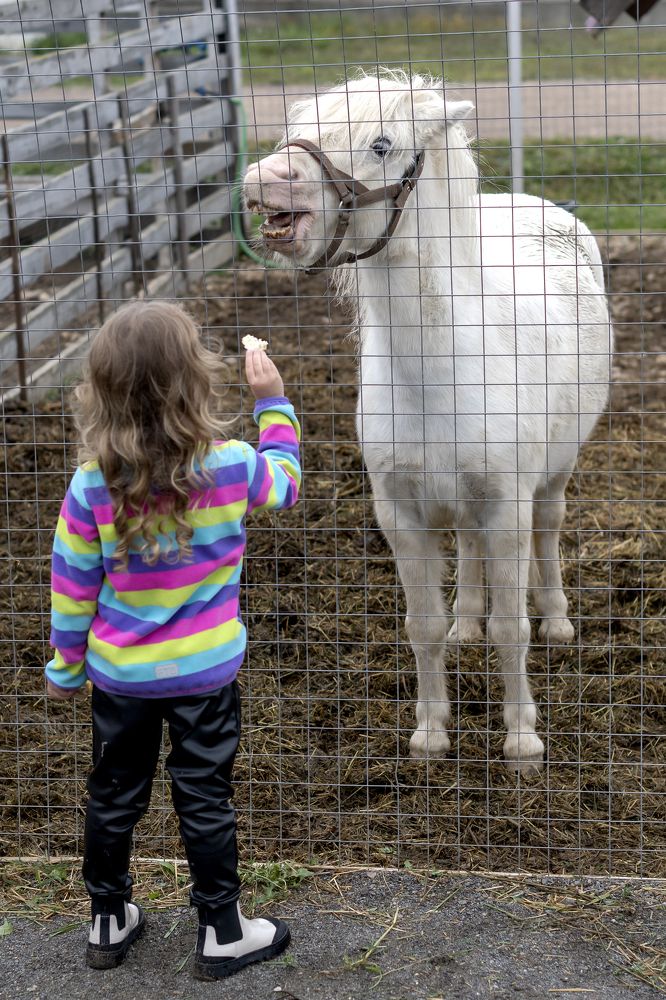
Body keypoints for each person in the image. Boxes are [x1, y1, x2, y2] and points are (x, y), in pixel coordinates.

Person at [45, 300, 301, 980]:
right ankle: (222, 931)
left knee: (113, 794)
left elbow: (72, 587)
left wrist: (68, 666)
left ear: (100, 388)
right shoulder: (233, 466)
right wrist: (274, 402)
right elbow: (288, 482)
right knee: (204, 797)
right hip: (205, 678)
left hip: (121, 679)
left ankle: (107, 918)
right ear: (197, 380)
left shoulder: (91, 484)